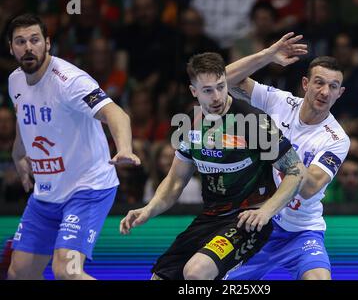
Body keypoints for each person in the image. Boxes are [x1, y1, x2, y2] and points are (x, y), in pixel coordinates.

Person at [120, 51, 308, 280]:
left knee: (196, 272)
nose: (217, 96)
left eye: (221, 86)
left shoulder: (253, 121)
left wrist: (266, 211)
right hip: (209, 218)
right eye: (208, 90)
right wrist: (148, 210)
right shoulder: (189, 122)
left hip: (247, 219)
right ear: (194, 92)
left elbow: (297, 171)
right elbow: (176, 180)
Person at [6, 14, 140, 280]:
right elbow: (25, 117)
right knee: (19, 273)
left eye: (35, 40)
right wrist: (19, 152)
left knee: (67, 271)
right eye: (20, 42)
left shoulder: (70, 81)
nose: (28, 47)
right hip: (46, 193)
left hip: (87, 187)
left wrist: (123, 147)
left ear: (47, 43)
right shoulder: (15, 81)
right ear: (11, 48)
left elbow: (116, 114)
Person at [224, 33, 350, 280]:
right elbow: (223, 80)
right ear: (305, 84)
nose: (325, 91)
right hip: (258, 223)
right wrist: (266, 56)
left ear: (340, 93)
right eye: (319, 83)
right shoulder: (281, 102)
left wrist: (277, 143)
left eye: (333, 87)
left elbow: (309, 188)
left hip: (301, 232)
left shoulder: (336, 139)